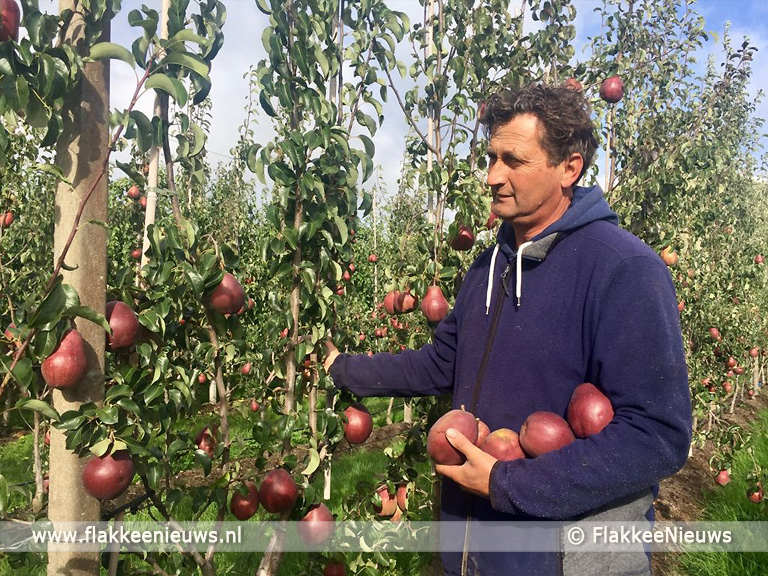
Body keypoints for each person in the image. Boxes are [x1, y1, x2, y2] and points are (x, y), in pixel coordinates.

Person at [323, 83, 691, 576]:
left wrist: (505, 483)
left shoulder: (623, 269)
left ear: (569, 168)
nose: (492, 176)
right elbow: (441, 362)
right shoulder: (487, 268)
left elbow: (658, 435)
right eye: (491, 158)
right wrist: (343, 369)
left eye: (513, 160)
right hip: (466, 552)